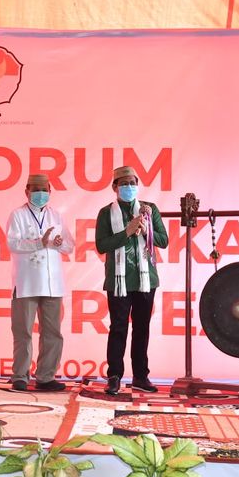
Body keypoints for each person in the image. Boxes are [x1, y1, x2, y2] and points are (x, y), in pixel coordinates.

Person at [95, 166, 168, 396]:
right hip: (119, 281)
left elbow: (164, 241)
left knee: (142, 328)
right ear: (114, 187)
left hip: (146, 280)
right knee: (118, 328)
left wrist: (146, 231)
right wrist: (126, 232)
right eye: (124, 183)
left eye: (132, 183)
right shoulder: (105, 213)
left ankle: (140, 376)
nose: (129, 187)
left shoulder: (149, 209)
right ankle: (114, 376)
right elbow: (101, 245)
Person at [7, 173, 74, 391]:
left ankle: (46, 376)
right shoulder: (17, 215)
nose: (40, 194)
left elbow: (69, 246)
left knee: (52, 332)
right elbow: (12, 243)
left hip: (53, 283)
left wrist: (59, 243)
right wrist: (39, 242)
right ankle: (20, 376)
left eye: (44, 189)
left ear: (50, 191)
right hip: (26, 282)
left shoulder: (56, 215)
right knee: (23, 332)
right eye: (36, 189)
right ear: (26, 191)